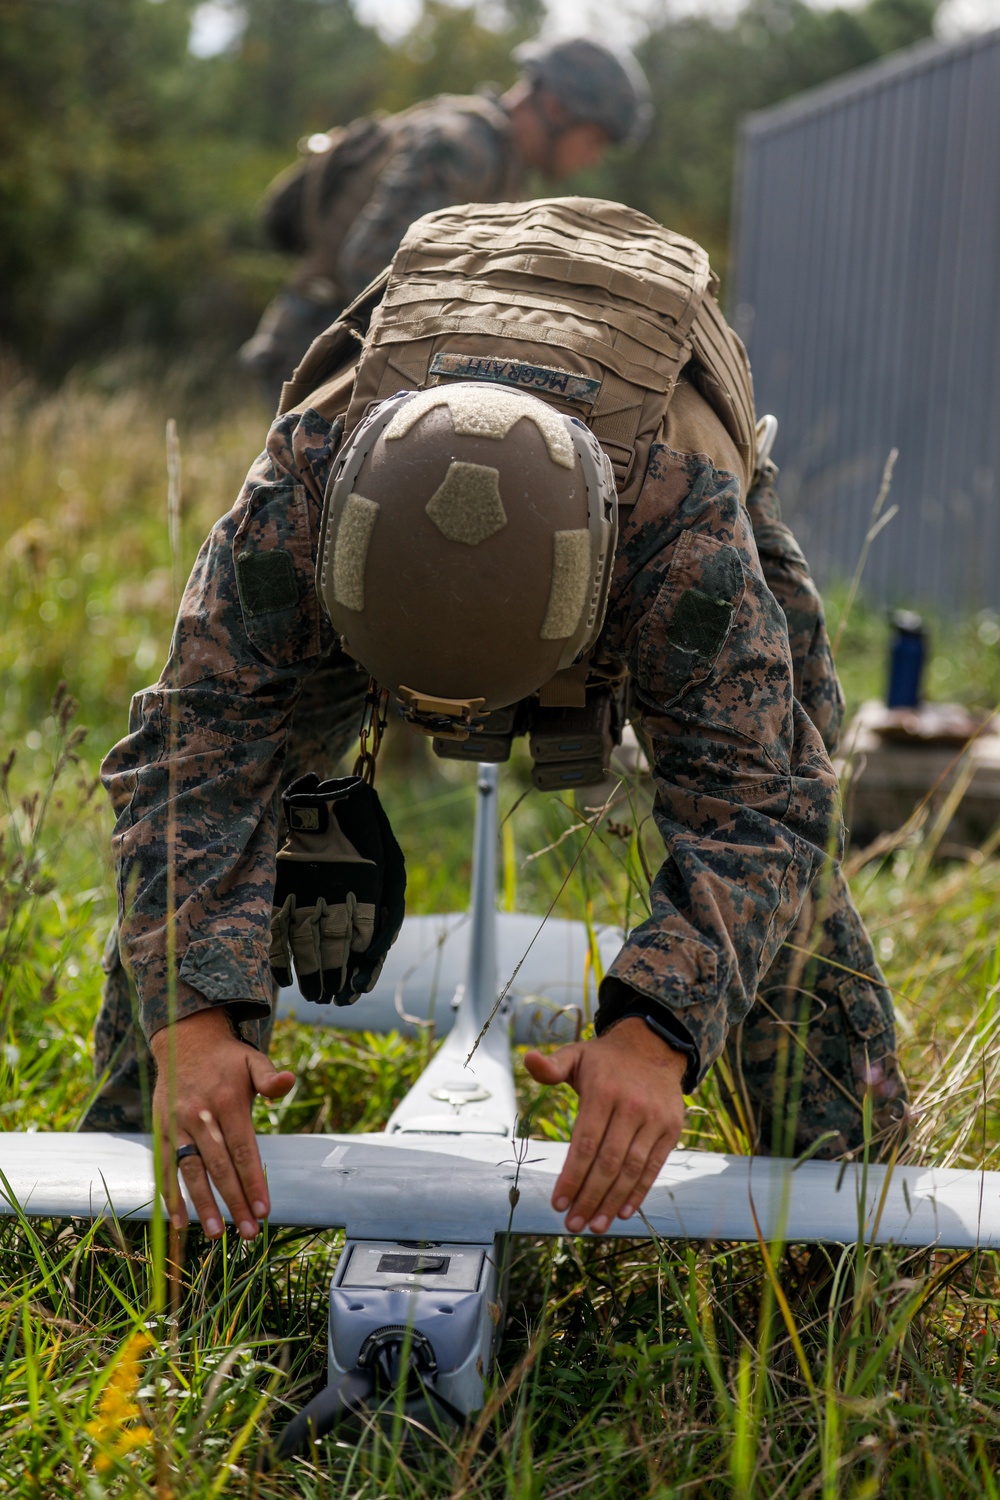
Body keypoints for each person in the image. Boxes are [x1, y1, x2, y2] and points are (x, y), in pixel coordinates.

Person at [88, 196, 908, 1247]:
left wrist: (657, 1027)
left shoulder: (685, 538)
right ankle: (135, 1246)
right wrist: (191, 1018)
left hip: (648, 469)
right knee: (180, 905)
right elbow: (189, 757)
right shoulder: (299, 485)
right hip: (386, 471)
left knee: (798, 879)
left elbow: (762, 811)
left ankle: (855, 1252)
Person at [238, 37, 651, 404]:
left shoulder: (501, 165)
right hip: (317, 356)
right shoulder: (462, 147)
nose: (593, 157)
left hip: (347, 355)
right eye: (594, 139)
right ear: (557, 108)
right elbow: (372, 267)